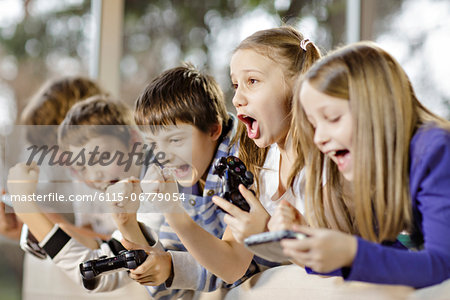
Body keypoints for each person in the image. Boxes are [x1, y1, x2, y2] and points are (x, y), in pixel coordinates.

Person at [147, 26, 322, 290]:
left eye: (252, 81)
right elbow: (232, 266)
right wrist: (172, 210)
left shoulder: (325, 162)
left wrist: (268, 235)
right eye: (236, 85)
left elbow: (336, 256)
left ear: (298, 86)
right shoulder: (254, 159)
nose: (237, 99)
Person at [275, 41, 450, 289]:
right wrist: (312, 244)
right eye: (314, 124)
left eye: (333, 118)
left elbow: (441, 265)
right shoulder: (379, 174)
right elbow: (392, 259)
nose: (318, 138)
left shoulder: (435, 150)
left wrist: (351, 252)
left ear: (379, 108)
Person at [1, 76, 148, 300]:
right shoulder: (84, 175)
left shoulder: (128, 173)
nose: (59, 158)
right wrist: (32, 225)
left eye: (57, 145)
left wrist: (47, 223)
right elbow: (89, 232)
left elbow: (121, 244)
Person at [106, 64, 240, 299]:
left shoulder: (240, 165)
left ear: (213, 129)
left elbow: (233, 267)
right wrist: (127, 222)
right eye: (154, 144)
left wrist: (171, 265)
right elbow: (171, 285)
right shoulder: (175, 174)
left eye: (176, 140)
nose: (163, 155)